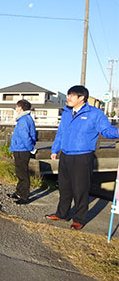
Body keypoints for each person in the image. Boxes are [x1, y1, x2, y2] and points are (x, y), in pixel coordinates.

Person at [46, 85, 119, 230]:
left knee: (80, 189)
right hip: (65, 155)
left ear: (82, 98)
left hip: (83, 156)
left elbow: (106, 131)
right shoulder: (66, 112)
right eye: (68, 95)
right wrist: (55, 149)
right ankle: (62, 213)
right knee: (64, 187)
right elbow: (60, 133)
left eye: (72, 96)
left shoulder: (95, 113)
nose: (68, 98)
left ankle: (79, 219)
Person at [7, 99, 37, 205]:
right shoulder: (25, 119)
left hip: (22, 149)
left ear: (20, 108)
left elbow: (25, 136)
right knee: (19, 172)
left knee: (22, 173)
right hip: (20, 148)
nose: (16, 109)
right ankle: (19, 192)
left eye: (16, 107)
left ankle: (24, 196)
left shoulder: (23, 120)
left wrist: (30, 148)